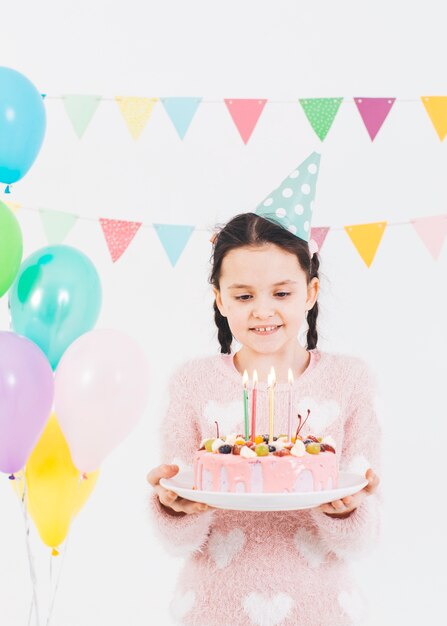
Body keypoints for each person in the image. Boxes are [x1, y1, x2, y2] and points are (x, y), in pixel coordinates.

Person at [147, 155, 381, 626]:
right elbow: (175, 541)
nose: (262, 312)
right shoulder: (192, 384)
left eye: (281, 292)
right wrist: (173, 508)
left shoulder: (350, 381)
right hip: (213, 609)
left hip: (323, 609)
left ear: (310, 293)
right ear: (219, 298)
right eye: (243, 295)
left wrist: (346, 511)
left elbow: (364, 538)